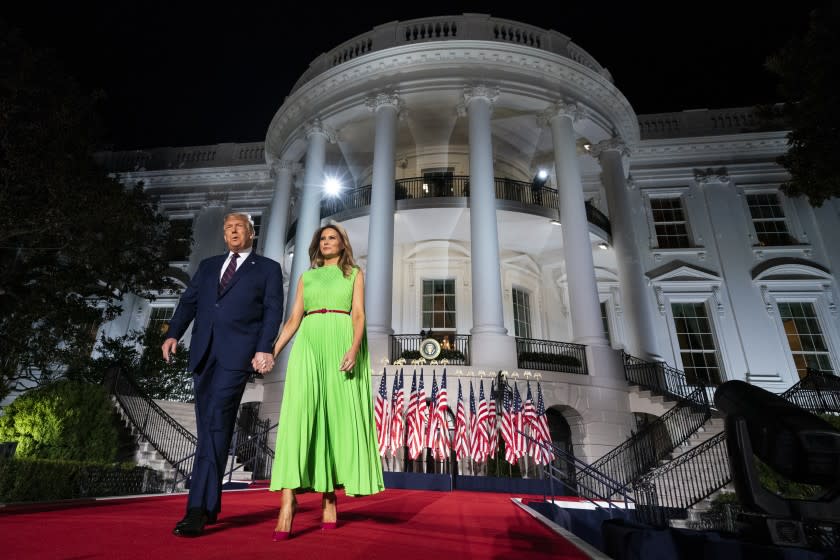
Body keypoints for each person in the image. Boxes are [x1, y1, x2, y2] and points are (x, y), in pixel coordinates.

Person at [162, 212, 283, 537]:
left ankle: (197, 508)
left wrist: (264, 348)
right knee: (211, 428)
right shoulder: (208, 265)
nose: (232, 230)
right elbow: (188, 303)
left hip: (236, 355)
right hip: (203, 355)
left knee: (215, 421)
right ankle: (211, 503)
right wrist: (173, 333)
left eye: (238, 226)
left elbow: (273, 311)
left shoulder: (268, 269)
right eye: (227, 226)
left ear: (251, 233)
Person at [268, 223, 384, 540]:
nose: (327, 241)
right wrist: (273, 350)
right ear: (318, 246)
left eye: (333, 237)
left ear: (342, 243)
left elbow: (358, 314)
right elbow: (294, 318)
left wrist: (355, 346)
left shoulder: (354, 274)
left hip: (341, 341)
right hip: (309, 342)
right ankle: (287, 503)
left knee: (334, 422)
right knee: (299, 418)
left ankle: (329, 497)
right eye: (323, 238)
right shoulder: (307, 277)